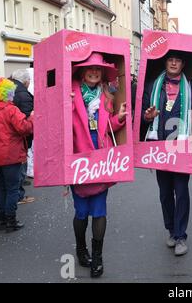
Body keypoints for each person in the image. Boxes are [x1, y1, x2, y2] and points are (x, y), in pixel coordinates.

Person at [70, 52, 127, 277]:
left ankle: (98, 257)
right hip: (78, 158)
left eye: (98, 69)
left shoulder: (106, 96)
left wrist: (119, 116)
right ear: (82, 72)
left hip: (102, 158)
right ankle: (81, 249)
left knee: (99, 209)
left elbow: (107, 127)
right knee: (82, 211)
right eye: (90, 68)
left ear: (102, 73)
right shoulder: (70, 93)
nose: (94, 72)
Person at [141, 50, 192, 256]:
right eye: (170, 59)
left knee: (181, 191)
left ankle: (181, 235)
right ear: (165, 63)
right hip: (159, 146)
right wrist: (147, 117)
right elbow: (141, 114)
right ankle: (172, 230)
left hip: (182, 146)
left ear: (183, 64)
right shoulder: (152, 86)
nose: (174, 63)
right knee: (165, 193)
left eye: (178, 60)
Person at [0, 77, 33, 232]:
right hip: (10, 155)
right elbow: (24, 128)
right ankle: (11, 220)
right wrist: (32, 118)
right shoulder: (10, 110)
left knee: (2, 188)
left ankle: (1, 220)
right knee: (12, 189)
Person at [10, 69, 35, 204]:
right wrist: (32, 117)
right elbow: (25, 123)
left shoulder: (10, 90)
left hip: (8, 138)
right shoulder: (23, 94)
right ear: (26, 81)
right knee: (20, 162)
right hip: (20, 137)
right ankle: (19, 195)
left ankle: (18, 189)